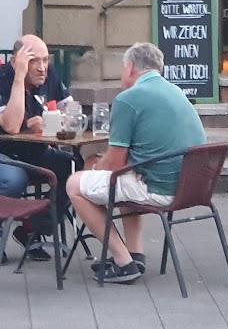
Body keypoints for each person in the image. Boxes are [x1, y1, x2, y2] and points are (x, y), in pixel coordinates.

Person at [66, 42, 206, 284]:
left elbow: (115, 164)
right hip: (190, 187)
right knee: (123, 179)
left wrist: (94, 167)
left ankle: (123, 262)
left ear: (130, 67)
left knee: (74, 185)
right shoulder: (175, 91)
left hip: (159, 188)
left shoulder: (128, 99)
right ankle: (135, 252)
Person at [0, 35, 74, 266]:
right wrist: (19, 78)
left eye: (45, 60)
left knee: (71, 166)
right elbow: (10, 125)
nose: (42, 68)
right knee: (13, 178)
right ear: (17, 60)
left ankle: (32, 228)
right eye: (34, 61)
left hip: (33, 151)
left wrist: (56, 121)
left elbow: (70, 110)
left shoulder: (47, 75)